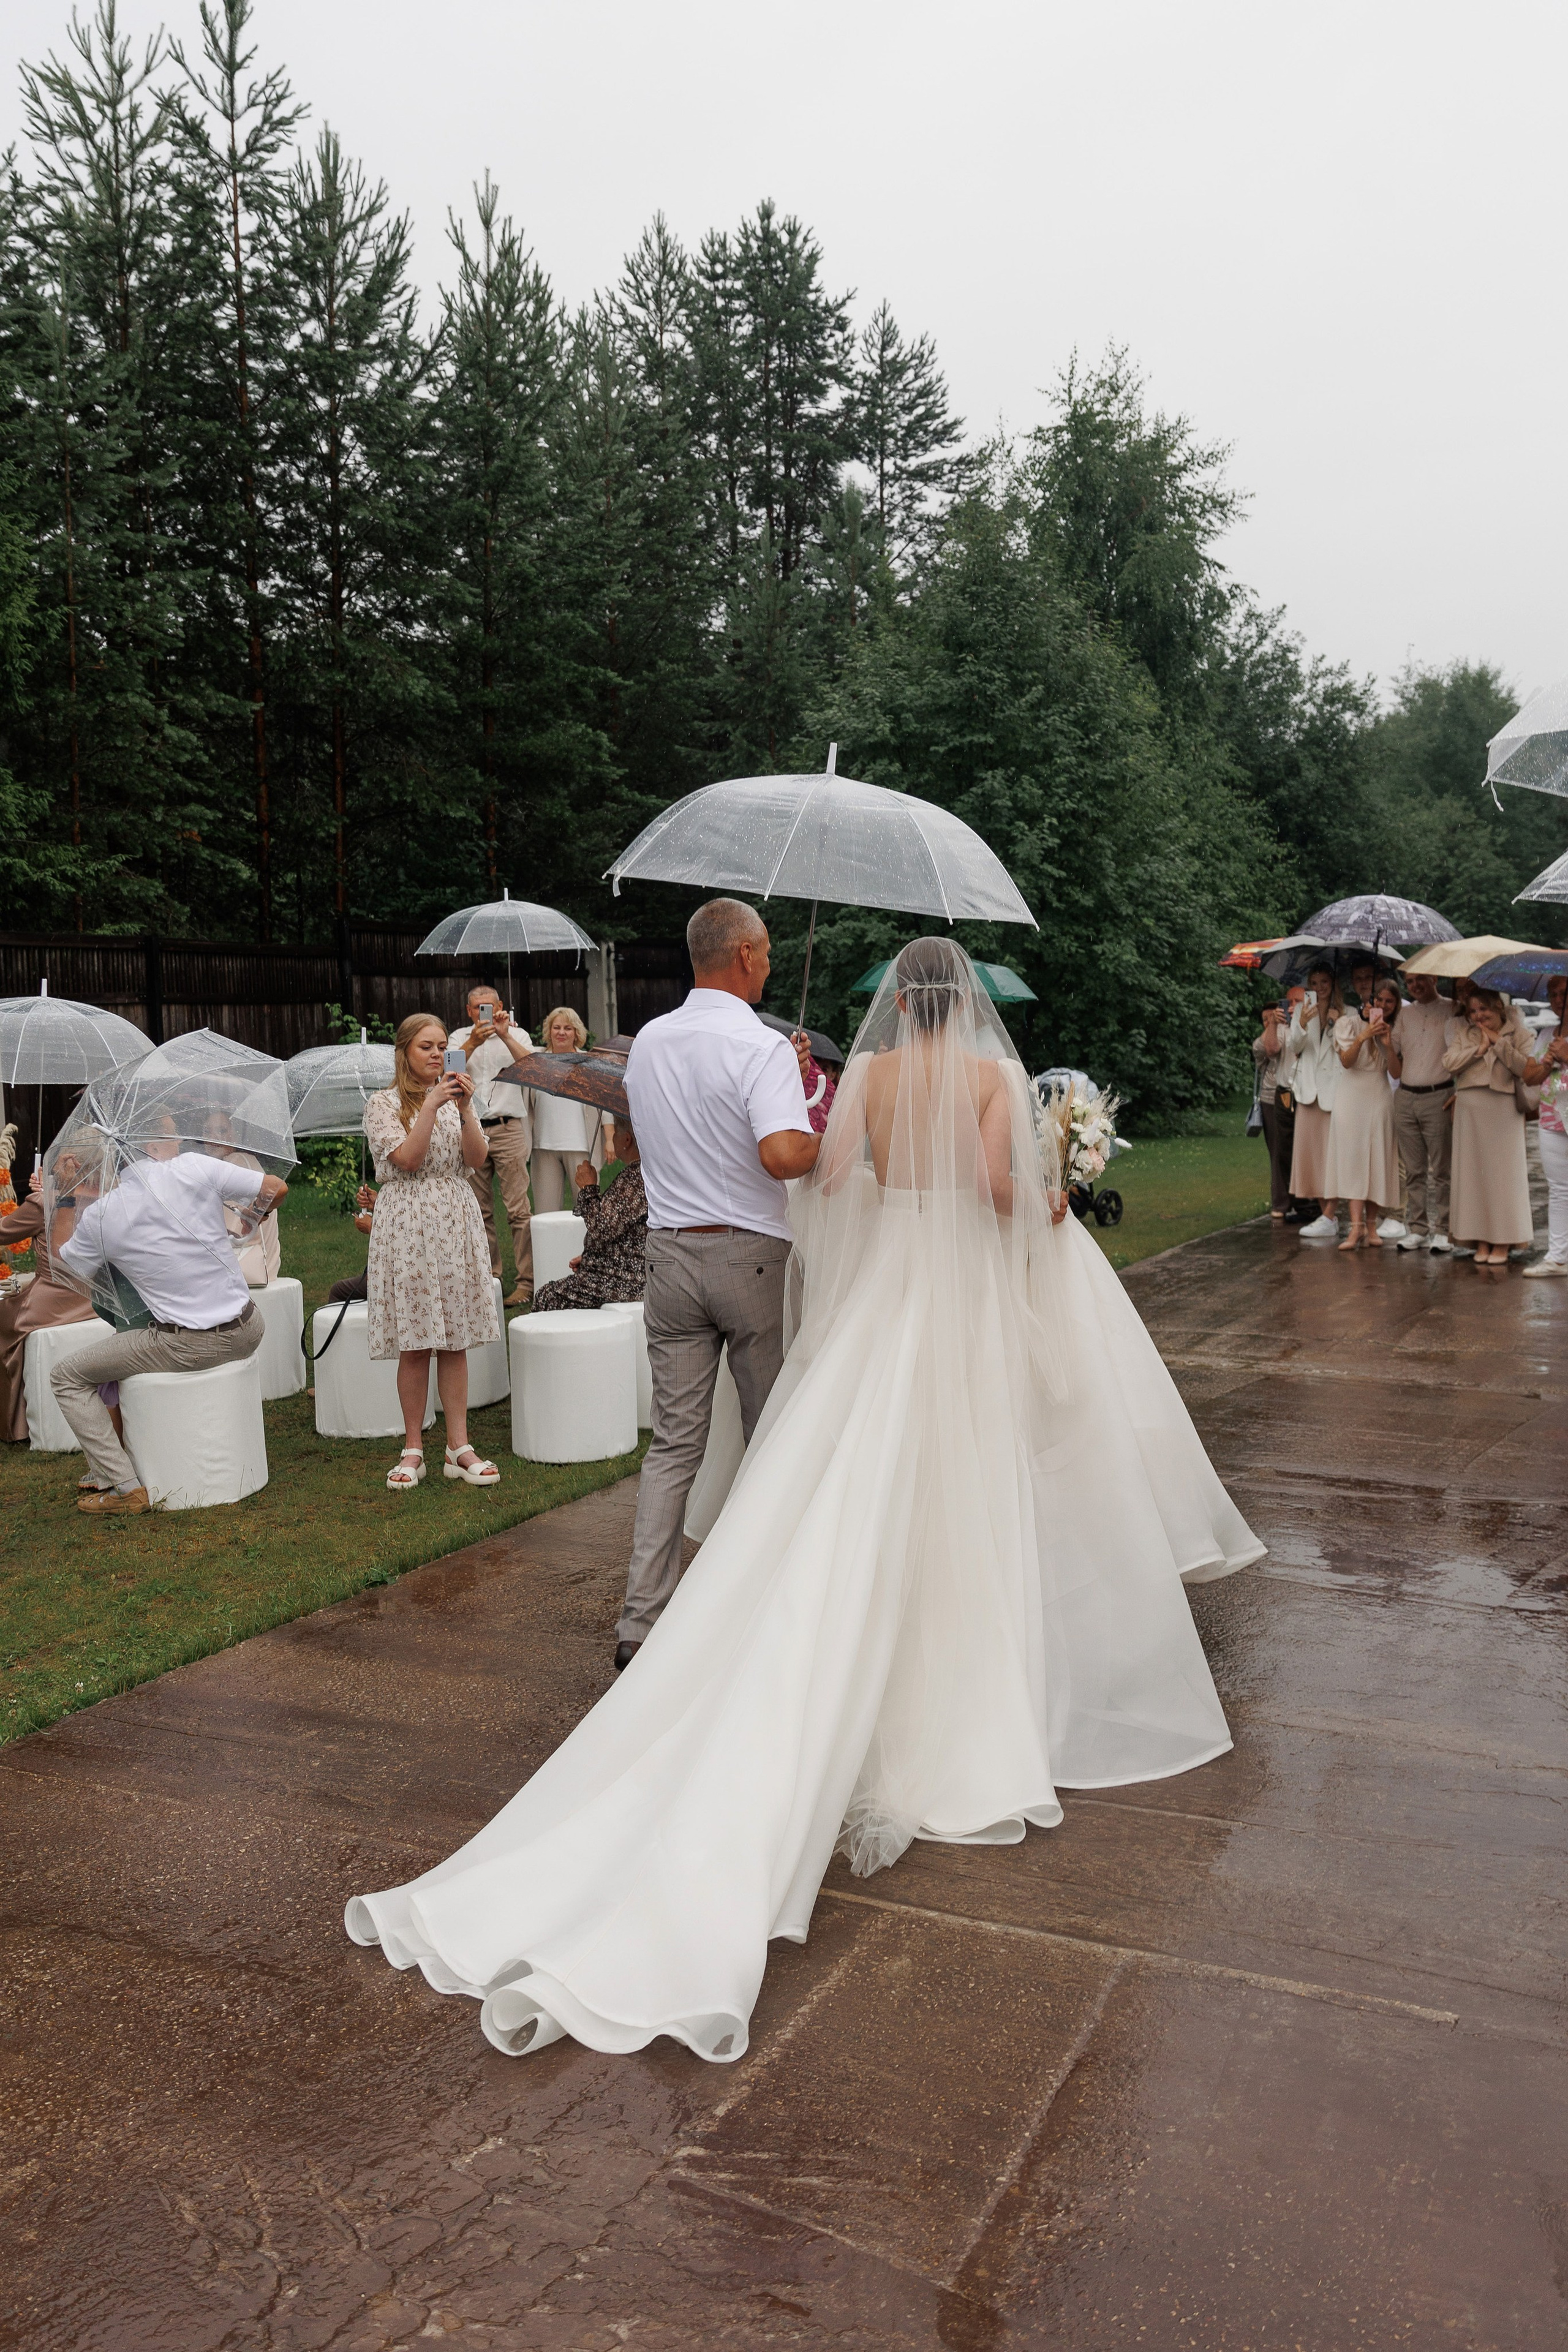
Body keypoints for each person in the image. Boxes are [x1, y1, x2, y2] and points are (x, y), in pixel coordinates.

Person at [345, 937, 1263, 2064]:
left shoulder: (867, 1079)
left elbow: (827, 1182)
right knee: (963, 1475)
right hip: (952, 1306)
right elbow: (990, 1189)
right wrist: (1056, 1189)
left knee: (829, 1475)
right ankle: (960, 1677)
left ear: (893, 1005)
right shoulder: (986, 1079)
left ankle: (732, 1627)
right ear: (964, 1006)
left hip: (884, 1303)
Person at [612, 900, 820, 1670]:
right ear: (740, 955)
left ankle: (640, 1621)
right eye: (763, 953)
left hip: (667, 1256)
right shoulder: (757, 1045)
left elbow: (670, 1133)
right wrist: (823, 1139)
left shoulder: (650, 1043)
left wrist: (783, 1083)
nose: (768, 965)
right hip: (748, 1259)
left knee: (674, 1445)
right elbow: (779, 1156)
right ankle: (761, 1605)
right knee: (769, 1435)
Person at [50, 1144, 287, 1515]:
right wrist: (252, 1218)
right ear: (153, 1149)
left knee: (65, 1376)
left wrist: (65, 1197)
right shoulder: (194, 1167)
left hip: (188, 1345)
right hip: (249, 1327)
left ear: (114, 1161)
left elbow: (62, 1261)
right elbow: (276, 1188)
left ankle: (124, 1490)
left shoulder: (103, 1215)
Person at [364, 1014, 502, 1491]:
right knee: (417, 1339)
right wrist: (430, 1106)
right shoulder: (382, 1104)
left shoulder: (457, 1099)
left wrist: (463, 1110)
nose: (438, 1055)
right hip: (409, 1224)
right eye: (427, 1047)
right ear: (404, 1051)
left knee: (455, 1337)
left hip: (455, 1220)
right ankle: (413, 1447)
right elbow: (407, 1159)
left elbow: (478, 1159)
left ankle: (457, 1446)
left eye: (443, 1046)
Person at [449, 984, 535, 1309]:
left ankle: (527, 1282)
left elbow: (533, 1067)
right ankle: (492, 1279)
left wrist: (505, 1036)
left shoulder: (518, 1034)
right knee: (479, 1209)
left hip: (508, 1126)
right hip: (469, 1128)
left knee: (518, 1208)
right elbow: (448, 1066)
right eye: (477, 1008)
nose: (483, 1013)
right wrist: (474, 1041)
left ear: (501, 1006)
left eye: (489, 1006)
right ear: (469, 1012)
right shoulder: (458, 1038)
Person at [0, 1164, 98, 1446]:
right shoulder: (105, 1195)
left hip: (50, 1300)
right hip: (91, 1300)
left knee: (6, 1313)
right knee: (15, 1286)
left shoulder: (45, 1203)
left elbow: (3, 1233)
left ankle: (14, 1423)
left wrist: (45, 1197)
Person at [1442, 988, 1534, 1267]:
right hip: (1470, 1108)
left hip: (1503, 1108)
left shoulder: (1520, 1033)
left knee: (1503, 1177)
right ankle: (1480, 1239)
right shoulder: (1466, 1034)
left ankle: (1503, 1240)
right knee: (1474, 1176)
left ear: (1498, 1008)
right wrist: (1478, 1049)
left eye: (1484, 1009)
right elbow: (1449, 1064)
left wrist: (1498, 1043)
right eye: (1473, 1011)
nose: (1479, 1016)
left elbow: (1526, 1068)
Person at [532, 1118, 647, 1311]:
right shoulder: (642, 1174)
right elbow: (625, 1231)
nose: (609, 1139)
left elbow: (602, 1228)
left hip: (623, 1282)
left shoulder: (634, 1179)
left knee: (547, 1297)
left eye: (614, 1134)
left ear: (627, 1140)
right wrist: (593, 1258)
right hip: (622, 1271)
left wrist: (588, 1187)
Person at [1322, 979, 1402, 1250]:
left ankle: (1372, 1226)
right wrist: (1364, 1035)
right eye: (1378, 1000)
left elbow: (1396, 1072)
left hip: (1378, 1092)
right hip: (1351, 1093)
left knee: (1376, 1158)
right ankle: (1355, 1228)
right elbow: (1346, 1061)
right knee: (1353, 1159)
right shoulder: (1348, 1023)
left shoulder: (1395, 1029)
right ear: (1368, 1000)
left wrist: (1387, 1043)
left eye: (1388, 1002)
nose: (1382, 1005)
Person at [1389, 970, 1455, 1253]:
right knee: (1414, 1170)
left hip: (1438, 1095)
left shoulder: (1452, 1008)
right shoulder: (1405, 1014)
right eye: (1409, 982)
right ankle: (1417, 1228)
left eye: (1420, 979)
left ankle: (1444, 1230)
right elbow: (1392, 1057)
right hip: (1405, 1097)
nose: (1415, 986)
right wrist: (1377, 1029)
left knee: (1441, 1169)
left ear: (1434, 979)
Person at [529, 1005, 612, 1210]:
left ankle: (585, 1245)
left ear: (576, 1033)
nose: (562, 1033)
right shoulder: (537, 1061)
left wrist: (610, 1139)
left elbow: (604, 1105)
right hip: (543, 1146)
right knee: (545, 1213)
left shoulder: (589, 1063)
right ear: (549, 1031)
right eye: (556, 1027)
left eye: (568, 1028)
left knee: (587, 1211)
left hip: (580, 1147)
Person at [1287, 965, 1343, 1237]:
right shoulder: (1302, 1011)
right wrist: (1301, 1024)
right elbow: (1294, 1047)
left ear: (1333, 983)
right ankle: (1326, 1216)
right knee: (1313, 1158)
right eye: (1314, 982)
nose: (1319, 987)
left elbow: (1346, 1051)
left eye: (1324, 982)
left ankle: (1331, 1213)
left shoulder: (1348, 1013)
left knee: (1332, 1158)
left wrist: (1337, 1023)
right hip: (1308, 1093)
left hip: (1335, 1094)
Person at [1518, 972, 1568, 1276]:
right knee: (1559, 1189)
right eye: (1553, 995)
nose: (1558, 1000)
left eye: (1564, 993)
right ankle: (1558, 1257)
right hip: (1552, 1117)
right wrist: (1549, 1062)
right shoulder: (1547, 1033)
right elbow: (1529, 1077)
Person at [1253, 987, 1305, 1221]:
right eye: (1264, 1019)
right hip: (1273, 1098)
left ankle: (1303, 1201)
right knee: (1278, 1152)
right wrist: (1274, 1024)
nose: (1267, 1022)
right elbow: (1269, 1049)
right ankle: (1281, 1202)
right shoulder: (1265, 1039)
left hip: (1302, 1094)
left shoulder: (1300, 1026)